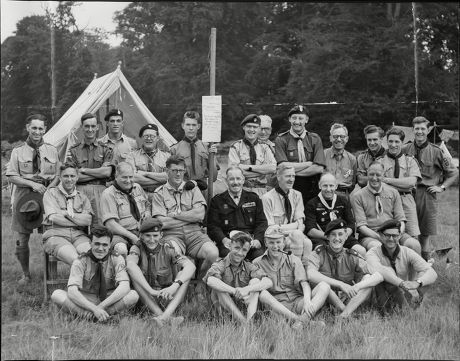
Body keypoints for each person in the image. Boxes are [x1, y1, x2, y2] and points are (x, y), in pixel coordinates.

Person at [6, 113, 60, 285]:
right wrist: (32, 184)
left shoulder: (52, 150)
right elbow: (12, 175)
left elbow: (58, 174)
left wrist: (50, 188)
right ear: (28, 128)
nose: (37, 131)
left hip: (47, 195)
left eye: (40, 128)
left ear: (45, 129)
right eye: (34, 128)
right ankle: (26, 274)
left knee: (50, 235)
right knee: (22, 239)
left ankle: (51, 274)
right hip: (24, 196)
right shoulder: (17, 152)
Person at [151, 155, 219, 282]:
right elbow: (162, 223)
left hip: (195, 234)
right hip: (172, 235)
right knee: (171, 251)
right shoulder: (159, 193)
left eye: (181, 171)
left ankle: (200, 282)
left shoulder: (193, 189)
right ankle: (177, 287)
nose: (178, 174)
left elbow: (200, 215)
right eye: (174, 171)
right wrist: (189, 217)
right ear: (167, 171)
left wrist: (175, 215)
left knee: (213, 253)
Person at [51, 226, 139, 322]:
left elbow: (124, 286)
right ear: (90, 244)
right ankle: (93, 316)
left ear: (110, 245)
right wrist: (94, 309)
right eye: (97, 244)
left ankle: (95, 316)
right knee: (57, 295)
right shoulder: (81, 260)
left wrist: (101, 306)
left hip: (109, 299)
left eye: (105, 245)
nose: (100, 248)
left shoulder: (116, 258)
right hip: (86, 299)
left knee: (133, 295)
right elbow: (72, 291)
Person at [403, 116, 459, 261]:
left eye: (423, 129)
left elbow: (453, 173)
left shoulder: (436, 151)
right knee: (406, 232)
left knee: (424, 234)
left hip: (426, 194)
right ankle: (408, 263)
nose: (420, 132)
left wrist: (441, 187)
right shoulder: (405, 149)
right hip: (407, 193)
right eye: (417, 129)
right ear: (413, 130)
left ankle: (425, 264)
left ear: (428, 130)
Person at [254, 226, 330, 329]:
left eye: (278, 242)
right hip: (276, 307)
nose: (275, 246)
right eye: (271, 242)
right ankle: (302, 321)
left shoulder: (293, 259)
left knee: (324, 286)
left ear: (284, 242)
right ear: (265, 243)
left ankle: (302, 320)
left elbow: (304, 283)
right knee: (263, 294)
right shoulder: (257, 263)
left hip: (297, 302)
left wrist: (307, 301)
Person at [306, 219, 383, 318]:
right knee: (324, 286)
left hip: (346, 299)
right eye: (333, 234)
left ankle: (343, 315)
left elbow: (378, 276)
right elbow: (310, 275)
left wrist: (356, 287)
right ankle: (346, 313)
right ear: (327, 237)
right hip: (325, 298)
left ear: (346, 236)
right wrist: (341, 284)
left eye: (340, 234)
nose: (337, 238)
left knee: (368, 278)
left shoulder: (351, 255)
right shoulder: (318, 253)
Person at [126, 217, 195, 326]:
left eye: (155, 236)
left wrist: (174, 287)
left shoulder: (167, 247)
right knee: (134, 276)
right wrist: (151, 291)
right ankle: (166, 318)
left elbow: (190, 266)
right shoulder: (137, 248)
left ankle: (163, 317)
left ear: (161, 235)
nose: (152, 240)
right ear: (141, 236)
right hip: (146, 297)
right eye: (148, 235)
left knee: (184, 275)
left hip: (167, 295)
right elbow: (130, 265)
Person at [366, 219, 438, 313]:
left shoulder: (406, 251)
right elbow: (380, 270)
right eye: (387, 235)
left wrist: (417, 283)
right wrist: (402, 284)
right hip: (383, 294)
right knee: (384, 277)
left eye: (395, 235)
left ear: (400, 236)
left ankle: (414, 304)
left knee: (426, 277)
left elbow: (432, 272)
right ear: (381, 235)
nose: (391, 239)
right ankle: (394, 312)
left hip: (405, 291)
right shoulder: (372, 252)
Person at [350, 162, 421, 253]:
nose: (374, 178)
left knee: (414, 244)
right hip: (371, 235)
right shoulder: (358, 196)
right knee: (377, 246)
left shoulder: (393, 192)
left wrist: (396, 235)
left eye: (378, 175)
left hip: (394, 232)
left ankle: (416, 267)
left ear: (383, 175)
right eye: (371, 174)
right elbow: (362, 227)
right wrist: (381, 237)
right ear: (367, 174)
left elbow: (401, 220)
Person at [204, 231, 272, 324]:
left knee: (256, 281)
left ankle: (249, 320)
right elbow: (210, 280)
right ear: (229, 246)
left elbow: (268, 282)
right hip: (223, 312)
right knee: (219, 288)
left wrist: (247, 289)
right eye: (237, 248)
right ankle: (245, 324)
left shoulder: (248, 266)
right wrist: (234, 291)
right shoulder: (221, 264)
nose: (240, 253)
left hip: (242, 308)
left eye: (244, 250)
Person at [207, 166, 268, 261]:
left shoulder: (254, 198)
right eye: (231, 179)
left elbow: (262, 222)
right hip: (229, 242)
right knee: (230, 257)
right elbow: (213, 226)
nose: (235, 182)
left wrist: (258, 240)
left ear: (243, 180)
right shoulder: (217, 201)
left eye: (238, 178)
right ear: (226, 180)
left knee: (260, 257)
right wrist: (224, 240)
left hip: (250, 241)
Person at [66, 113, 113, 227]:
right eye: (87, 126)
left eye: (93, 126)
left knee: (100, 226)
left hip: (100, 191)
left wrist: (83, 170)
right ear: (82, 127)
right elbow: (72, 177)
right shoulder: (73, 150)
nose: (90, 129)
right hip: (79, 191)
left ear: (97, 127)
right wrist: (99, 173)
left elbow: (107, 172)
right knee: (80, 225)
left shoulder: (106, 149)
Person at [274, 104, 326, 206]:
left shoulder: (314, 139)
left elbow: (319, 168)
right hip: (290, 187)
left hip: (312, 188)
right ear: (289, 119)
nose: (297, 122)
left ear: (306, 120)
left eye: (300, 118)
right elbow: (282, 166)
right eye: (294, 118)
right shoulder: (281, 139)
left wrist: (291, 172)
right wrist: (309, 163)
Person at [305, 173, 366, 257]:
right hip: (323, 238)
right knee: (321, 254)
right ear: (319, 186)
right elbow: (310, 230)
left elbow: (351, 224)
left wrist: (343, 236)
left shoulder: (343, 201)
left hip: (344, 237)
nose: (328, 189)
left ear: (336, 186)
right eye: (325, 186)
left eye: (331, 185)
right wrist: (330, 237)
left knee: (361, 251)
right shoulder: (312, 203)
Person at [42, 165, 92, 265]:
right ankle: (77, 281)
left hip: (79, 236)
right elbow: (53, 217)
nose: (69, 179)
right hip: (56, 235)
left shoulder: (82, 197)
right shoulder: (50, 193)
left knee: (92, 258)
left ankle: (86, 280)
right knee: (76, 260)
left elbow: (88, 220)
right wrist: (78, 221)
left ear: (77, 177)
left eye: (72, 176)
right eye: (65, 176)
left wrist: (66, 214)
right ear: (60, 177)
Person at [261, 163, 312, 261]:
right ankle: (295, 268)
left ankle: (305, 271)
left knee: (307, 243)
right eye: (288, 176)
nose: (291, 179)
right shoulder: (267, 198)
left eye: (293, 176)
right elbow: (272, 228)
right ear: (279, 177)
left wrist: (285, 228)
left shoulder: (297, 195)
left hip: (294, 235)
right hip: (276, 238)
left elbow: (301, 224)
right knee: (297, 236)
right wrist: (294, 227)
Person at [378, 127, 421, 239]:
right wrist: (402, 185)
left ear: (402, 143)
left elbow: (411, 183)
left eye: (397, 141)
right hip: (386, 201)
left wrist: (387, 180)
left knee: (412, 235)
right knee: (387, 235)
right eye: (390, 141)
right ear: (386, 142)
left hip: (406, 200)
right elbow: (378, 184)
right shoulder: (380, 161)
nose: (393, 144)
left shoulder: (410, 161)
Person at [100, 162, 151, 256]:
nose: (128, 181)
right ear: (116, 176)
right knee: (121, 249)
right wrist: (132, 237)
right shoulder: (108, 194)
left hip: (141, 231)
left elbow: (147, 204)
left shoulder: (137, 187)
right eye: (124, 177)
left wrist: (147, 213)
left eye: (131, 177)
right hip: (120, 235)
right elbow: (110, 224)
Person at [228, 114, 276, 197]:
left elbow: (272, 168)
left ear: (259, 129)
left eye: (255, 127)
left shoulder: (265, 147)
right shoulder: (235, 147)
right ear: (244, 127)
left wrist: (247, 168)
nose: (252, 130)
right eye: (249, 126)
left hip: (261, 192)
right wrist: (262, 172)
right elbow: (233, 172)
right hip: (241, 190)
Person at [170, 110, 218, 192]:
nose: (191, 128)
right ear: (183, 126)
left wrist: (212, 157)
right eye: (188, 125)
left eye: (194, 125)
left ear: (198, 126)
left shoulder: (207, 147)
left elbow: (213, 178)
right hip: (183, 190)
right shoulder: (175, 149)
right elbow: (171, 176)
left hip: (202, 190)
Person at [129, 123, 169, 202]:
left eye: (152, 136)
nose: (149, 138)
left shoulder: (167, 157)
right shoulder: (132, 156)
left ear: (157, 138)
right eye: (146, 136)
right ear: (141, 138)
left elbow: (169, 177)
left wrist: (145, 174)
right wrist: (160, 180)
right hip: (138, 197)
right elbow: (132, 178)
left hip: (161, 197)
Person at [324, 123, 357, 197]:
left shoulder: (352, 159)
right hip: (324, 195)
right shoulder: (322, 155)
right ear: (330, 138)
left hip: (344, 196)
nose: (338, 139)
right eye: (335, 136)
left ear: (347, 139)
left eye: (342, 136)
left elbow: (353, 183)